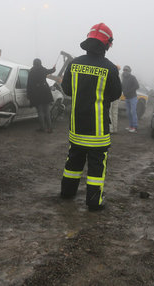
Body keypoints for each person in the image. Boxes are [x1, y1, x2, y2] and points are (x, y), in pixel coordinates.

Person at [60, 23, 122, 211]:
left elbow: (67, 89)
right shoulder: (110, 69)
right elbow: (115, 94)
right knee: (96, 168)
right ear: (106, 44)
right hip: (98, 131)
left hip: (76, 128)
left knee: (73, 161)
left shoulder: (75, 63)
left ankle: (67, 192)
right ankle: (94, 201)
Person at [27, 58, 56, 133]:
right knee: (47, 111)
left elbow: (29, 84)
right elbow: (51, 71)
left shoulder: (32, 71)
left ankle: (42, 128)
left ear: (34, 63)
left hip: (37, 93)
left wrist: (28, 94)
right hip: (46, 91)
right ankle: (50, 128)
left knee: (40, 111)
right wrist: (54, 68)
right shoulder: (43, 69)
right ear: (40, 63)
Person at [121, 65, 139, 133]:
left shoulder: (132, 77)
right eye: (124, 70)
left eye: (126, 70)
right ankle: (131, 126)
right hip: (127, 98)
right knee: (128, 113)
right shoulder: (124, 78)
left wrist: (129, 91)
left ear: (129, 71)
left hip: (133, 97)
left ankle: (135, 127)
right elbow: (122, 86)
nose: (125, 71)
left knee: (133, 112)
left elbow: (137, 86)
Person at [109, 65, 121, 133]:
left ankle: (110, 129)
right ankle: (115, 129)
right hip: (117, 97)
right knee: (115, 113)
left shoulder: (112, 75)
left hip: (111, 97)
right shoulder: (120, 77)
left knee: (110, 113)